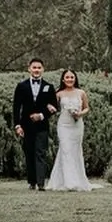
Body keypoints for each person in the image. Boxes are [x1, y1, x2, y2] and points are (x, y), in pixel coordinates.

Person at [12, 58, 58, 190]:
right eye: (34, 67)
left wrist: (41, 115)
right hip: (26, 126)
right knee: (29, 153)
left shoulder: (49, 87)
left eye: (39, 67)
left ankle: (41, 183)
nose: (36, 70)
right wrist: (17, 125)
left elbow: (54, 107)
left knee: (41, 153)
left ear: (43, 69)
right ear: (29, 69)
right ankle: (32, 181)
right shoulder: (21, 86)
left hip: (42, 126)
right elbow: (16, 107)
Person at [46, 69, 93, 191]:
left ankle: (77, 180)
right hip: (64, 125)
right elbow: (52, 106)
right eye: (67, 77)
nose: (70, 79)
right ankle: (67, 182)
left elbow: (87, 108)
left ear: (75, 79)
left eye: (72, 77)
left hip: (77, 125)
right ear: (63, 79)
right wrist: (49, 107)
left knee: (75, 150)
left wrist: (79, 114)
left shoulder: (81, 92)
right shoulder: (59, 93)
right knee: (65, 149)